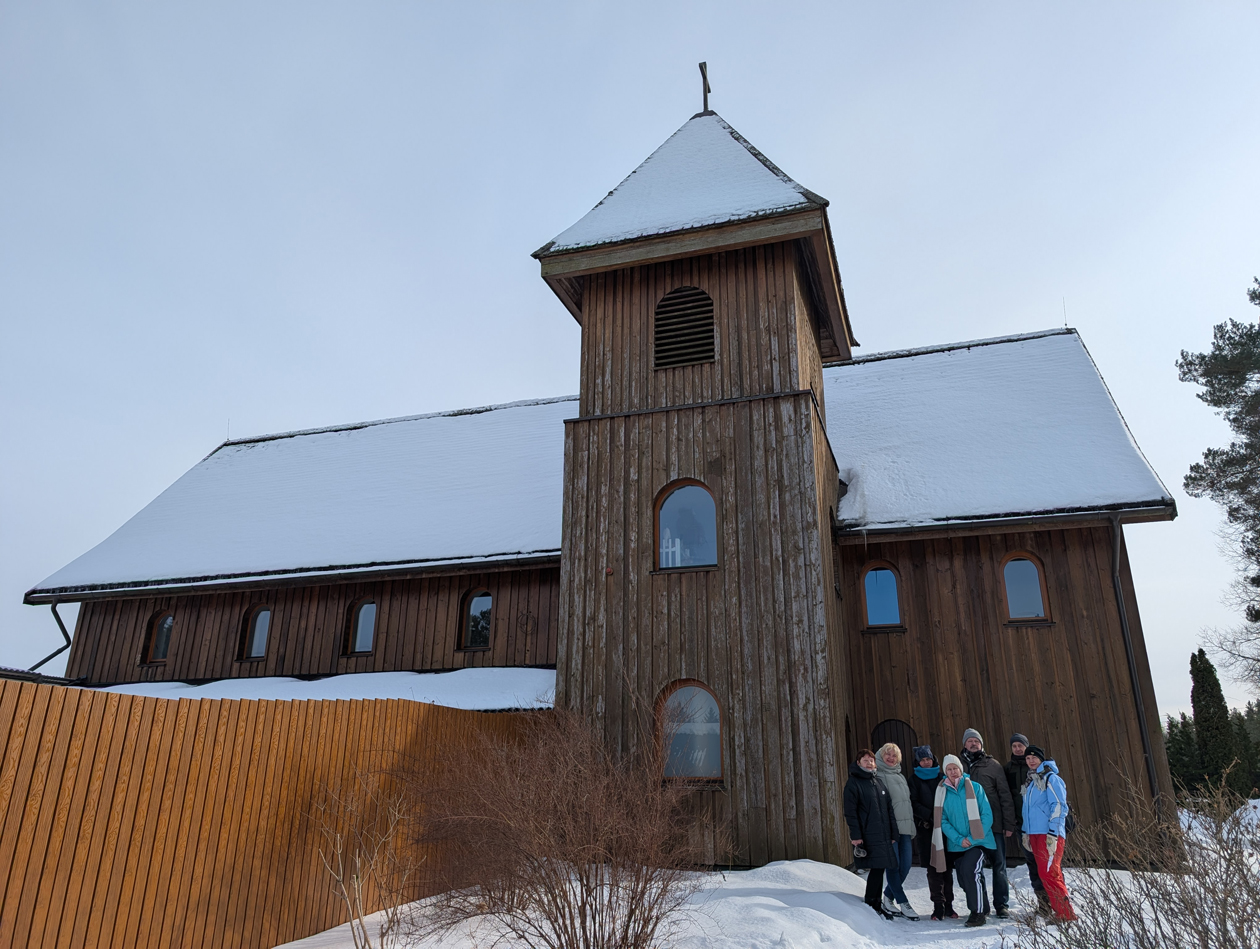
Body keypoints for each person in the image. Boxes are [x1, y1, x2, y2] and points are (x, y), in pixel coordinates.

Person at [930, 754, 995, 927]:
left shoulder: (975, 787)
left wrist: (973, 839)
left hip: (980, 842)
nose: (952, 772)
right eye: (949, 769)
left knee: (970, 871)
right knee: (965, 878)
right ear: (945, 772)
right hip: (957, 845)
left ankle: (977, 913)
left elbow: (987, 815)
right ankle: (984, 905)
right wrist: (959, 839)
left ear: (961, 769)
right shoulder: (942, 792)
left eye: (955, 768)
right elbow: (942, 820)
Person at [960, 728, 1017, 918]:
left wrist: (1008, 824)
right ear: (964, 744)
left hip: (994, 825)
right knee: (975, 867)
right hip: (969, 826)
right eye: (970, 741)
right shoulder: (958, 766)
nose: (973, 744)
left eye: (976, 741)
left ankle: (1001, 904)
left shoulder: (993, 765)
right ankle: (981, 905)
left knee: (998, 865)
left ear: (982, 744)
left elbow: (1004, 795)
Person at [1021, 746, 1078, 923]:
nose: (1031, 760)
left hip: (1049, 834)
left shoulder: (1051, 779)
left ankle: (1066, 914)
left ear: (1041, 759)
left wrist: (1053, 832)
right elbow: (1027, 810)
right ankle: (1060, 910)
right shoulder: (1030, 781)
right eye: (1028, 758)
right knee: (1046, 873)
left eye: (1034, 757)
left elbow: (1059, 806)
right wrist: (1025, 831)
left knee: (1049, 873)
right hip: (1034, 834)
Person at [844, 748, 901, 919]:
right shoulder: (853, 784)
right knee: (876, 869)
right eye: (865, 760)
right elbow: (850, 812)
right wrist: (856, 836)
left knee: (880, 868)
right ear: (858, 763)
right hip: (868, 833)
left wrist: (893, 833)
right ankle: (871, 903)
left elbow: (889, 809)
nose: (869, 763)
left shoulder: (878, 783)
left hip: (883, 834)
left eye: (871, 760)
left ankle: (876, 902)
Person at [910, 745, 957, 920]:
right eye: (922, 760)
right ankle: (938, 905)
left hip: (945, 828)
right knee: (933, 869)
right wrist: (930, 815)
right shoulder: (914, 780)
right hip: (927, 829)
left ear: (933, 759)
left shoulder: (942, 777)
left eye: (928, 759)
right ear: (918, 762)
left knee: (947, 869)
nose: (926, 762)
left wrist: (944, 817)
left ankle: (949, 906)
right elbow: (913, 802)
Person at [1005, 734, 1049, 915]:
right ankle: (1043, 904)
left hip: (1042, 826)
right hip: (1022, 825)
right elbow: (1007, 795)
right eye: (1014, 746)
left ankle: (1055, 901)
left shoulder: (1042, 770)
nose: (1017, 749)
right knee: (1032, 863)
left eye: (1020, 745)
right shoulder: (1008, 769)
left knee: (1046, 864)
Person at [874, 743, 918, 919]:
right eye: (888, 755)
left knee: (905, 866)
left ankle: (888, 897)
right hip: (890, 831)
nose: (891, 758)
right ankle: (903, 902)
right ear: (881, 756)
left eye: (894, 756)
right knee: (894, 866)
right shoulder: (878, 777)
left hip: (905, 829)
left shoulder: (900, 776)